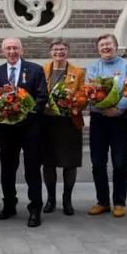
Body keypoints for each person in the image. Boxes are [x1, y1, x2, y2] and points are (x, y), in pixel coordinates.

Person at [0, 37, 48, 227]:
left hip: (30, 128)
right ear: (3, 52)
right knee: (8, 169)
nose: (12, 51)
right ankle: (9, 204)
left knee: (32, 169)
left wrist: (26, 111)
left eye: (15, 48)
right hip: (7, 129)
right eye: (8, 48)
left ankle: (35, 208)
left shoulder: (35, 69)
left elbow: (42, 97)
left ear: (21, 50)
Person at [85, 34, 127, 218]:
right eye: (102, 45)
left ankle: (120, 202)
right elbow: (90, 90)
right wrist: (102, 107)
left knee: (120, 162)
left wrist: (119, 109)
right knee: (98, 163)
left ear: (116, 46)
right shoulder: (94, 67)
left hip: (121, 119)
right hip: (99, 119)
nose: (105, 47)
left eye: (109, 44)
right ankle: (103, 202)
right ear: (98, 49)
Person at [41, 39, 85, 216]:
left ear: (67, 51)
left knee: (70, 162)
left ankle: (67, 200)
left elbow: (83, 95)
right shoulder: (43, 70)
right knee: (48, 162)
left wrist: (73, 101)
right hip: (48, 122)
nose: (59, 52)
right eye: (55, 49)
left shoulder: (78, 72)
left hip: (70, 122)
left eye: (62, 49)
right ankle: (51, 199)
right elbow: (37, 91)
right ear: (50, 52)